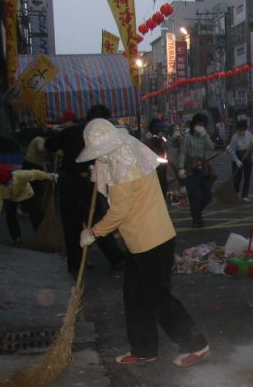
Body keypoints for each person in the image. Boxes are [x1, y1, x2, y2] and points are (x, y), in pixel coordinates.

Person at [77, 119, 210, 367]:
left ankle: (196, 345)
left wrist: (93, 233)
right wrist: (100, 171)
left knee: (159, 298)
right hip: (141, 239)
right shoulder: (126, 148)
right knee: (135, 295)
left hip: (152, 239)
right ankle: (143, 348)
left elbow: (118, 212)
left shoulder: (122, 164)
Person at [45, 106, 126, 274]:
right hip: (85, 183)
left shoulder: (71, 131)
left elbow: (49, 145)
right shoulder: (93, 134)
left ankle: (76, 264)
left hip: (72, 183)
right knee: (95, 220)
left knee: (72, 224)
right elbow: (50, 145)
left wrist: (59, 134)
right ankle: (114, 258)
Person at [0, 166, 56, 245]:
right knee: (10, 216)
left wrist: (48, 176)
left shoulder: (21, 175)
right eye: (3, 184)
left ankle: (40, 236)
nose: (5, 185)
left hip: (26, 194)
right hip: (10, 198)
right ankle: (16, 239)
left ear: (11, 178)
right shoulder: (0, 187)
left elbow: (35, 174)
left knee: (37, 215)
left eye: (6, 183)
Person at [177, 112, 215, 228]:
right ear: (193, 124)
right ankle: (197, 220)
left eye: (202, 125)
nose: (200, 126)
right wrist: (181, 168)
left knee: (207, 194)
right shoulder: (187, 138)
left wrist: (205, 135)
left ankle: (197, 212)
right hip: (190, 168)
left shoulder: (204, 136)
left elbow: (212, 147)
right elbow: (182, 154)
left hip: (202, 167)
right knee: (193, 195)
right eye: (198, 124)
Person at [226, 120, 253, 202]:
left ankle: (244, 195)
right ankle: (236, 193)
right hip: (238, 157)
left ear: (245, 129)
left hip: (247, 157)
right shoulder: (235, 137)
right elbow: (231, 150)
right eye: (240, 130)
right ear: (237, 129)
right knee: (237, 177)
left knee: (247, 177)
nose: (242, 131)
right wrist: (236, 161)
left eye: (243, 129)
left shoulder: (249, 135)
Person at [21, 128, 48, 205]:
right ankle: (29, 208)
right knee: (34, 189)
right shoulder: (39, 139)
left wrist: (48, 175)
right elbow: (40, 149)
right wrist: (51, 147)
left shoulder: (41, 143)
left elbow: (42, 162)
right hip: (30, 166)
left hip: (35, 167)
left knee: (36, 189)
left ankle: (27, 208)